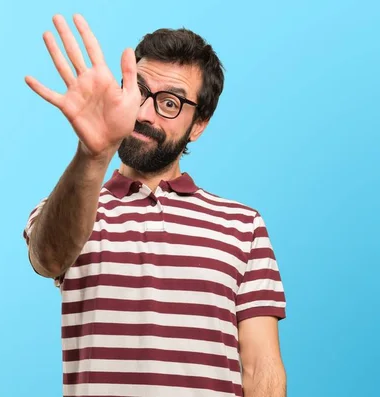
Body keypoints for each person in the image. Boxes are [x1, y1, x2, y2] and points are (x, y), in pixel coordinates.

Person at [22, 13, 287, 397]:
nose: (144, 113)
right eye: (139, 91)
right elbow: (47, 257)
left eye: (169, 103)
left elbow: (262, 367)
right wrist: (93, 154)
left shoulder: (243, 226)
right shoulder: (71, 206)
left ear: (200, 124)